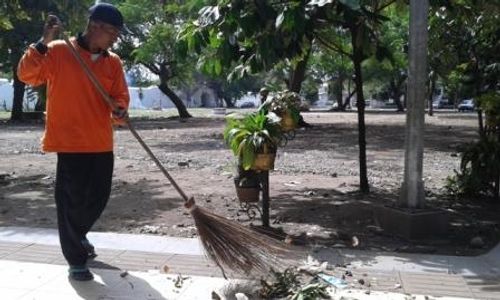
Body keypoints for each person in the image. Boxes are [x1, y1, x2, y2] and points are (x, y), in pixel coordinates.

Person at [17, 3, 130, 281]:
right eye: (113, 32)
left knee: (98, 199)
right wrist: (43, 42)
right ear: (95, 27)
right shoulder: (58, 51)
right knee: (70, 203)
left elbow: (120, 97)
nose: (115, 38)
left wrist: (120, 110)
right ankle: (76, 260)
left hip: (101, 142)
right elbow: (26, 74)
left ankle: (76, 235)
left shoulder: (112, 62)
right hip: (69, 142)